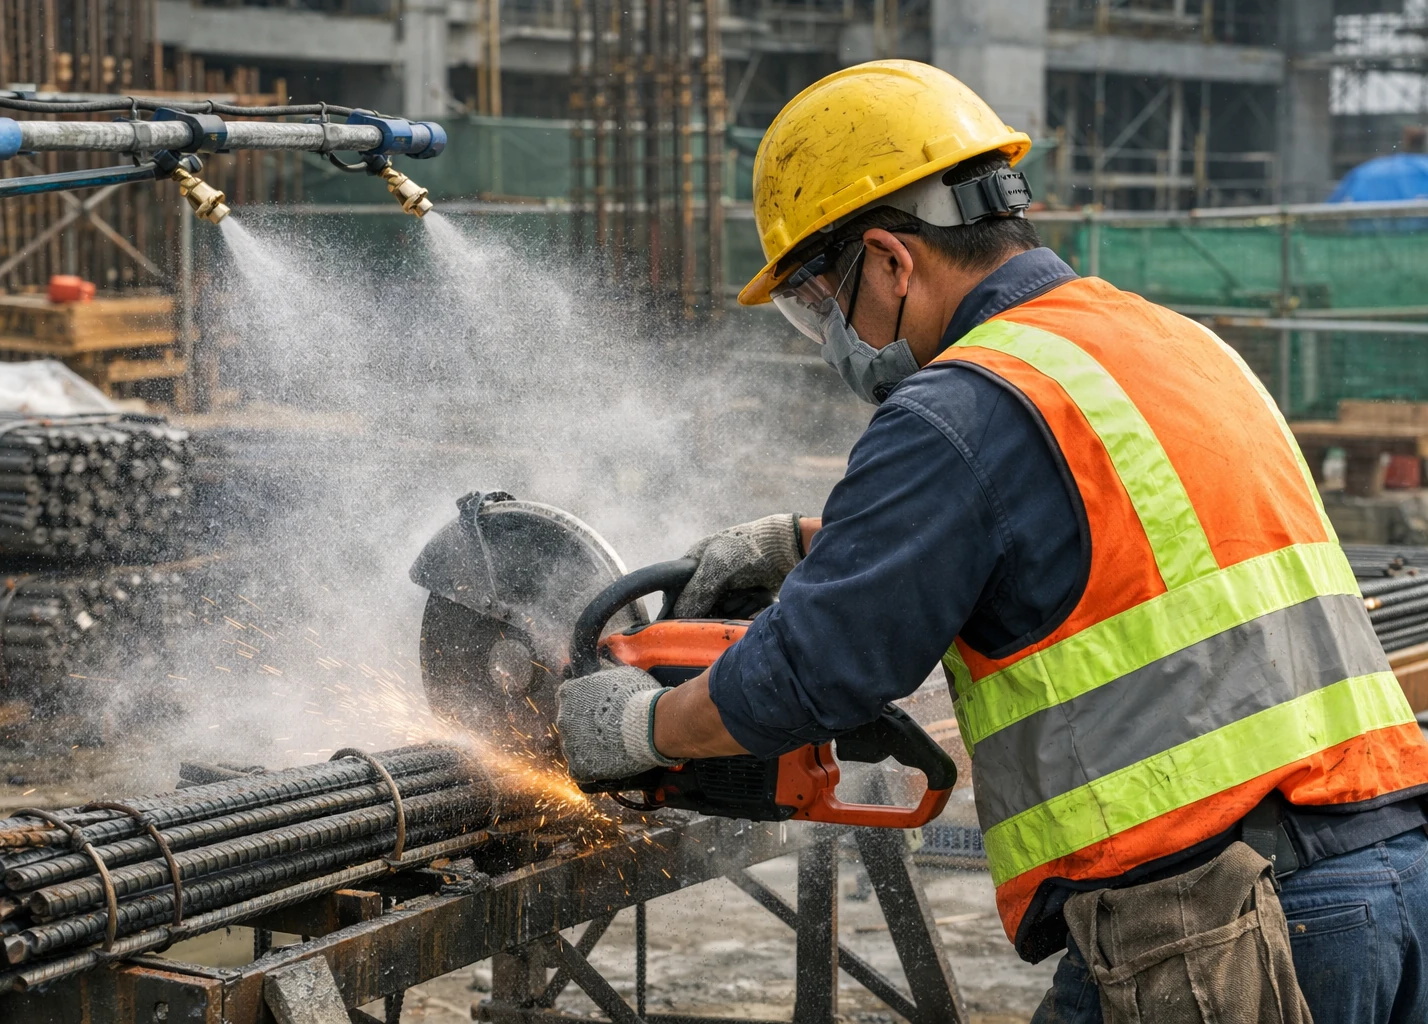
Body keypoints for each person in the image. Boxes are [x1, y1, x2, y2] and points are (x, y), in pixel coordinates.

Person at [555, 60, 1428, 1023]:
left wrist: (637, 728)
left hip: (1222, 922)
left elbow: (813, 673)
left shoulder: (959, 404)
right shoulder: (1173, 342)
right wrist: (808, 542)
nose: (833, 337)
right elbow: (1112, 525)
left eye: (818, 304)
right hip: (1387, 875)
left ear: (891, 261)